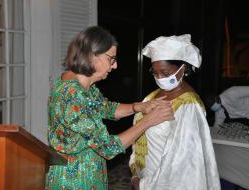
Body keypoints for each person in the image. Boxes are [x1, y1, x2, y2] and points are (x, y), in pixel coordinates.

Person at [45, 26, 173, 190]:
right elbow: (108, 147)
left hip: (88, 172)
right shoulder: (72, 96)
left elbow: (105, 108)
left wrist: (139, 106)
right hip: (74, 179)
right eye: (111, 59)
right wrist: (148, 121)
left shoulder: (81, 84)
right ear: (93, 56)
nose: (115, 66)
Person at [129, 34, 221, 190]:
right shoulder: (152, 96)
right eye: (155, 73)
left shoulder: (189, 106)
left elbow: (181, 162)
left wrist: (144, 185)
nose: (159, 78)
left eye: (165, 73)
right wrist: (135, 170)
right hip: (145, 173)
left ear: (182, 68)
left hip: (163, 183)